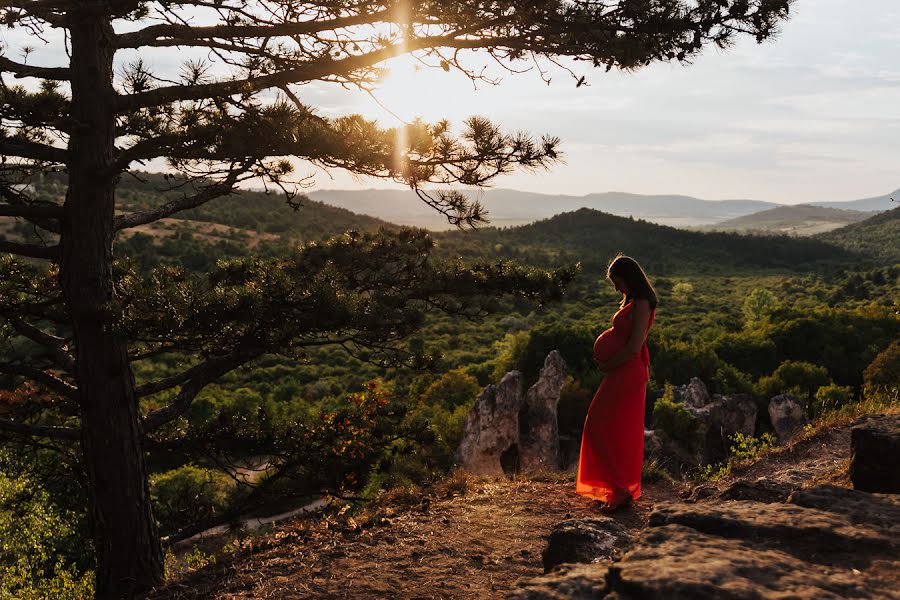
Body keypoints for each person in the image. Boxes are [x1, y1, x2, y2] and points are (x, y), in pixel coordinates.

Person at [576, 254, 657, 511]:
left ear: (629, 278)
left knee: (614, 429)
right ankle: (613, 488)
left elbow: (634, 347)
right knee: (603, 425)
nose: (616, 287)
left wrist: (607, 365)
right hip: (620, 372)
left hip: (628, 373)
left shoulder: (642, 303)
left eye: (617, 281)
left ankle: (621, 492)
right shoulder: (633, 301)